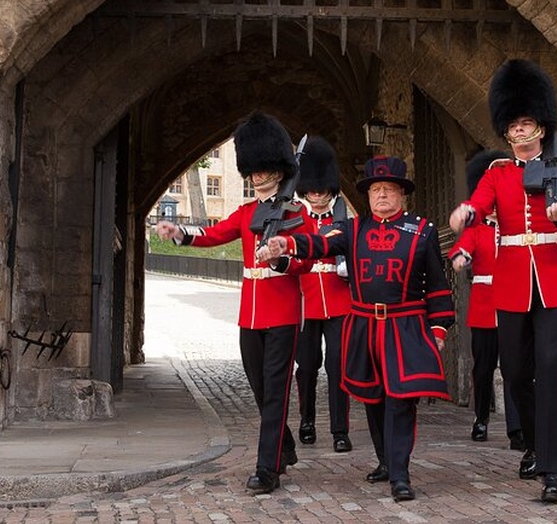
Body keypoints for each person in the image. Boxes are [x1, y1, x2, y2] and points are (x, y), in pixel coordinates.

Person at [258, 156, 455, 502]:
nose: (381, 196)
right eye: (376, 190)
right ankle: (385, 461)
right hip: (364, 325)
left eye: (388, 189)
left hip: (404, 326)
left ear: (401, 194)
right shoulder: (353, 229)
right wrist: (286, 245)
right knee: (374, 398)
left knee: (401, 400)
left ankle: (400, 474)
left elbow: (437, 286)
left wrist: (438, 330)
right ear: (367, 196)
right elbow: (319, 243)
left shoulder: (421, 230)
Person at [448, 59, 557, 503]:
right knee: (514, 373)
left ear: (541, 128)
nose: (518, 132)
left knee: (551, 374)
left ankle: (553, 469)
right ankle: (532, 442)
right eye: (512, 126)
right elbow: (479, 201)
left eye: (526, 123)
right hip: (512, 282)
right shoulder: (497, 173)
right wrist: (467, 213)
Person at [156, 111, 312, 495]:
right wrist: (180, 233)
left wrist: (280, 255)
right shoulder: (245, 213)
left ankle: (267, 468)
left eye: (263, 168)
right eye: (253, 169)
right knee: (260, 389)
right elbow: (214, 234)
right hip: (250, 316)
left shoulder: (297, 212)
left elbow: (307, 258)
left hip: (284, 314)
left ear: (277, 167)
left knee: (276, 391)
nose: (257, 175)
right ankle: (285, 446)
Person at [448, 150, 525, 451]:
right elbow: (463, 247)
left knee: (513, 368)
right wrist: (459, 258)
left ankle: (516, 427)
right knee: (483, 368)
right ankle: (481, 417)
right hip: (483, 307)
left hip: (512, 302)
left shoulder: (515, 224)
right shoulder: (477, 228)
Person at [293, 136, 353, 453]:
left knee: (338, 367)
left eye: (322, 191)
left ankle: (340, 430)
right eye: (313, 191)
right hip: (305, 301)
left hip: (339, 300)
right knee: (307, 367)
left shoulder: (343, 220)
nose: (317, 196)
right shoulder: (295, 220)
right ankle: (306, 421)